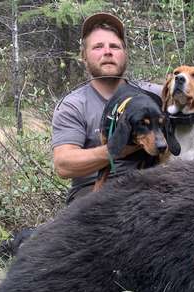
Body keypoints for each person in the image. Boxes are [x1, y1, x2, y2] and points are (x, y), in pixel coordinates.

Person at [51, 12, 163, 204]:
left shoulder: (156, 95)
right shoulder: (74, 105)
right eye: (98, 47)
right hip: (93, 190)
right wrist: (117, 148)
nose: (108, 52)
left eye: (114, 46)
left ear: (125, 54)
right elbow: (64, 165)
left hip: (151, 184)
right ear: (84, 56)